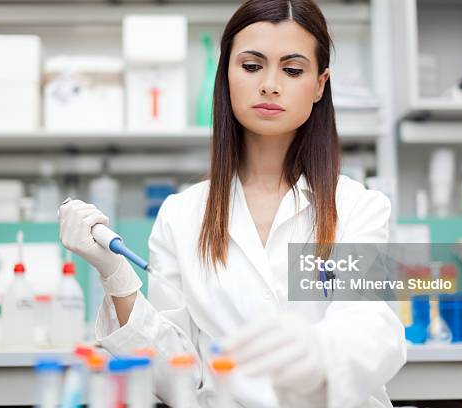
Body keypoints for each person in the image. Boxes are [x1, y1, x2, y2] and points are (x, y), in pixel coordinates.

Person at [59, 0, 406, 406]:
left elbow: (374, 329)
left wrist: (318, 347)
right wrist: (115, 275)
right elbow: (176, 373)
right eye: (252, 65)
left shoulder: (357, 207)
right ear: (225, 75)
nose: (270, 84)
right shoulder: (182, 215)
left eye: (292, 70)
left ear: (319, 84)